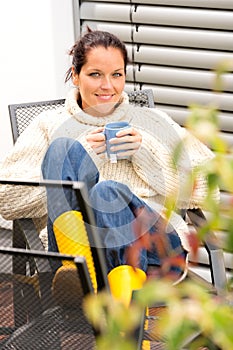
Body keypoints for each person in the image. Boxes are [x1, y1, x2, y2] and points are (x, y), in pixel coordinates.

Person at [0, 29, 219, 281]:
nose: (107, 86)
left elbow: (208, 185)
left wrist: (145, 153)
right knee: (63, 150)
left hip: (154, 253)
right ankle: (86, 275)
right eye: (95, 74)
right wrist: (80, 159)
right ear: (75, 75)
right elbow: (6, 198)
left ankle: (91, 282)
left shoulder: (153, 122)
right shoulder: (48, 125)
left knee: (108, 193)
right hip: (76, 250)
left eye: (117, 75)